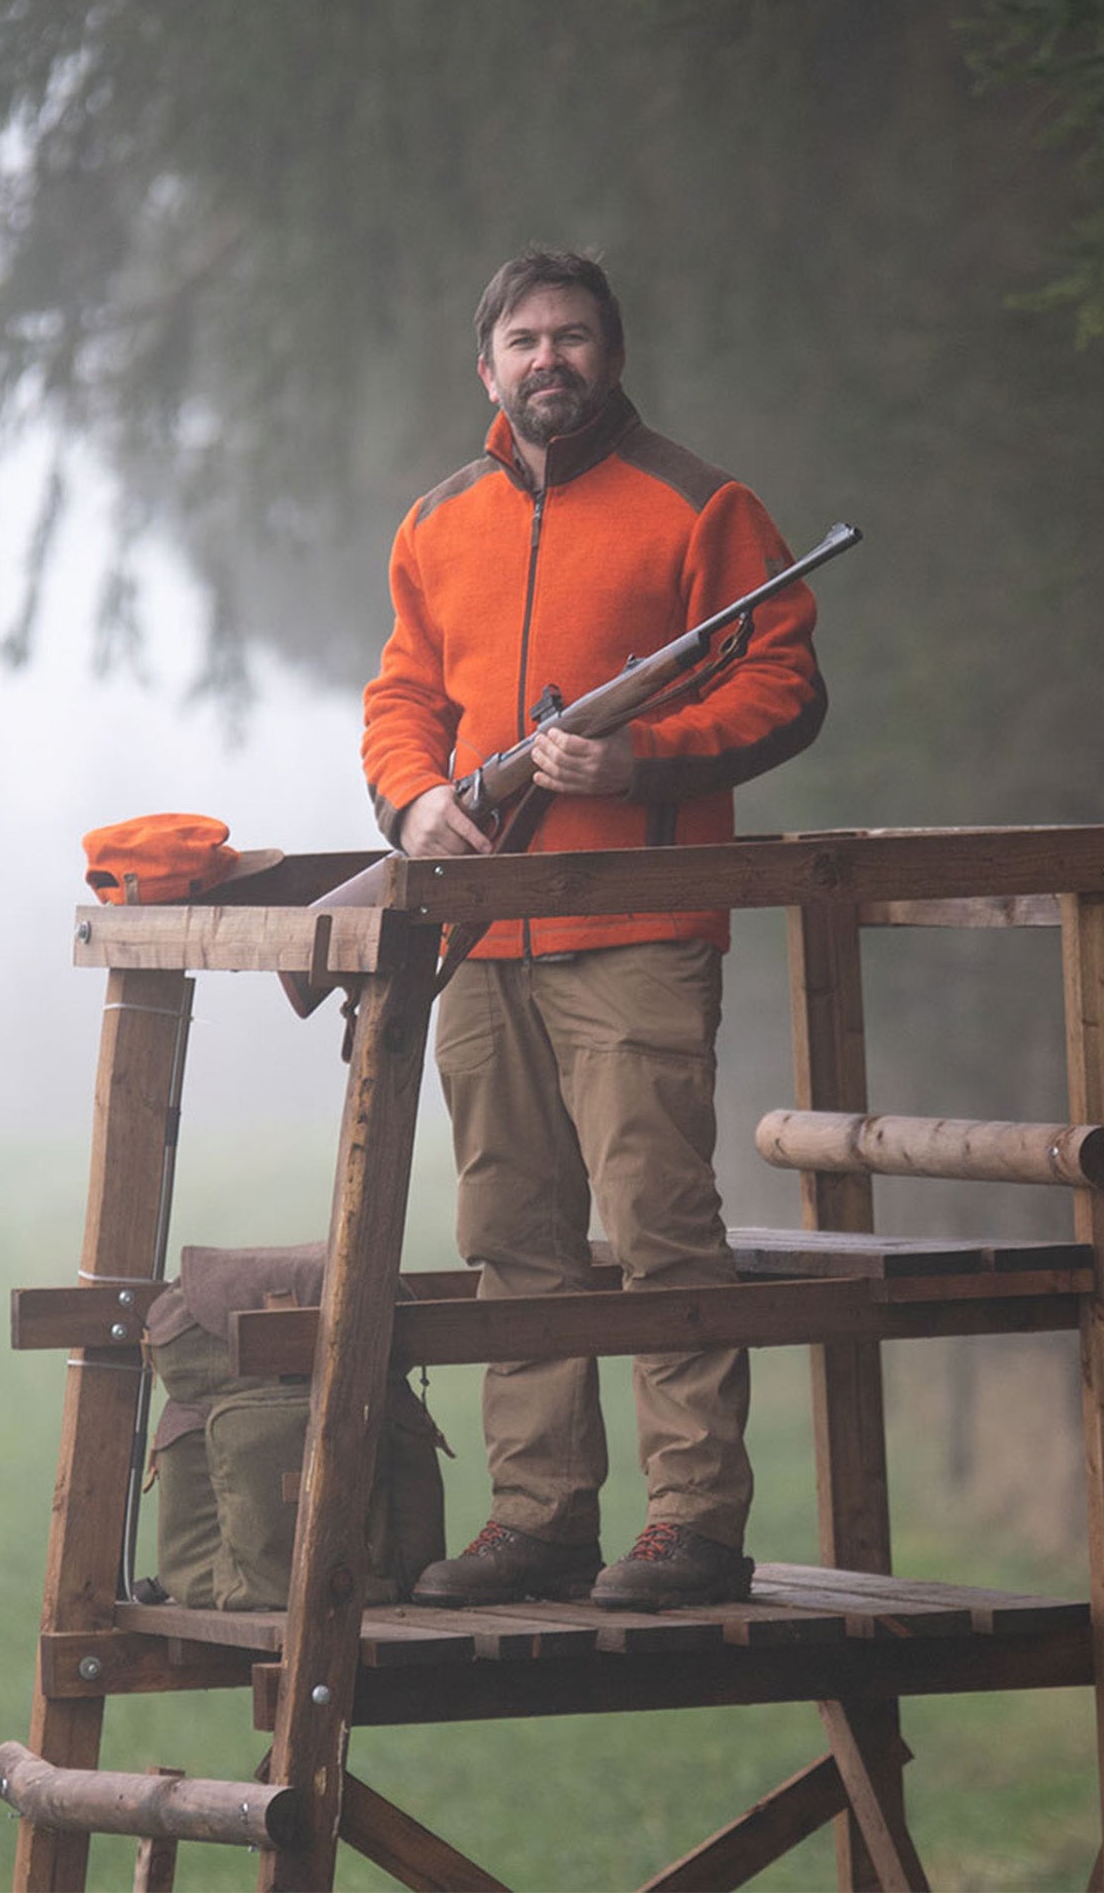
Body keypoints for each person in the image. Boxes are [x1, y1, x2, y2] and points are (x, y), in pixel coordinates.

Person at [360, 248, 826, 1611]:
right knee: (515, 1232)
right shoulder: (436, 524)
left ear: (611, 358)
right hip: (479, 936)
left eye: (572, 336)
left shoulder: (702, 507)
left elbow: (786, 682)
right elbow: (400, 698)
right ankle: (540, 1516)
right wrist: (415, 800)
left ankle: (692, 1520)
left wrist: (646, 760)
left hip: (637, 930)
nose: (547, 358)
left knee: (661, 1222)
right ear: (487, 367)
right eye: (523, 338)